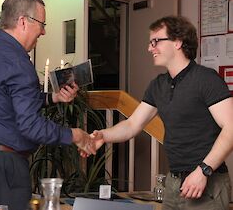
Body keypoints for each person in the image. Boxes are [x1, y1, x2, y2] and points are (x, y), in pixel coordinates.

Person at [0, 0, 96, 210]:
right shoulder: (17, 61)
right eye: (41, 24)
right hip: (3, 170)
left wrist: (53, 97)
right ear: (23, 21)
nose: (43, 32)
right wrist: (74, 135)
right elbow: (30, 125)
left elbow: (6, 101)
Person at [87, 16, 233, 210]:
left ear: (178, 42)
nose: (150, 48)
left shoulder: (206, 80)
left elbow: (231, 128)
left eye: (156, 41)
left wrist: (203, 171)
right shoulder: (158, 85)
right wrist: (103, 135)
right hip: (174, 184)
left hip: (207, 181)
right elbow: (132, 125)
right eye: (150, 42)